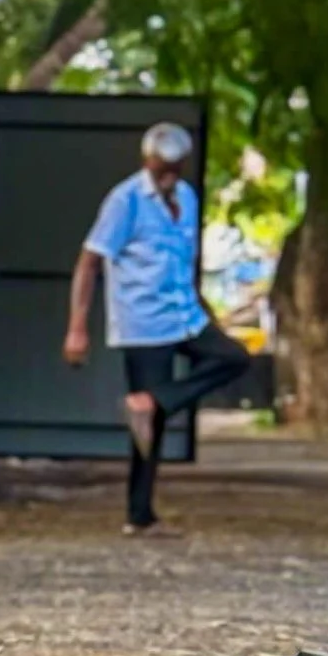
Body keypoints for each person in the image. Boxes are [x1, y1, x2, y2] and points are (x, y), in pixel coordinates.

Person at [62, 121, 250, 534]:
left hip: (185, 315)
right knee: (151, 430)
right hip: (143, 322)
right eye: (160, 166)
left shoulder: (186, 196)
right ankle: (139, 515)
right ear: (148, 160)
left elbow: (185, 265)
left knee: (234, 357)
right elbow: (89, 261)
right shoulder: (125, 200)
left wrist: (209, 315)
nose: (168, 175)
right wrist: (77, 327)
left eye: (174, 167)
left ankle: (152, 399)